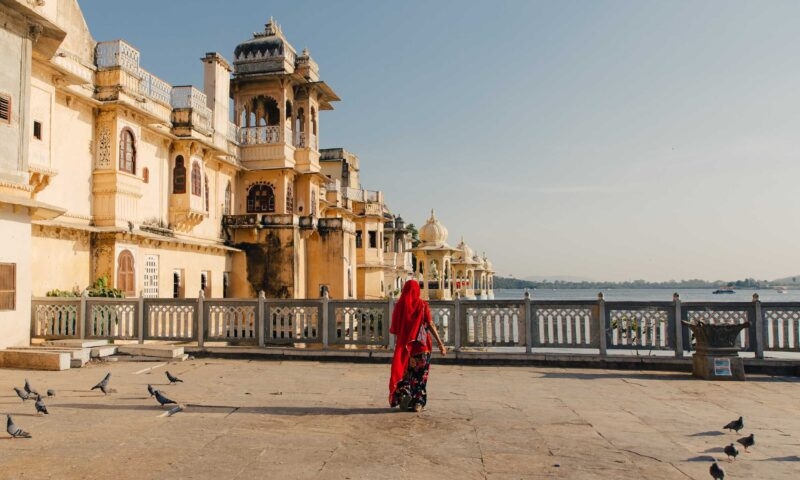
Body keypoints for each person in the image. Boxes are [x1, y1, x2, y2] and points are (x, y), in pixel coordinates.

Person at [389, 279, 447, 412]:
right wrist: (440, 343)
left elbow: (396, 329)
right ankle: (418, 403)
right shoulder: (422, 305)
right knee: (420, 377)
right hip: (422, 347)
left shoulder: (400, 306)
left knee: (406, 375)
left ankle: (405, 394)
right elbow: (431, 325)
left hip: (406, 348)